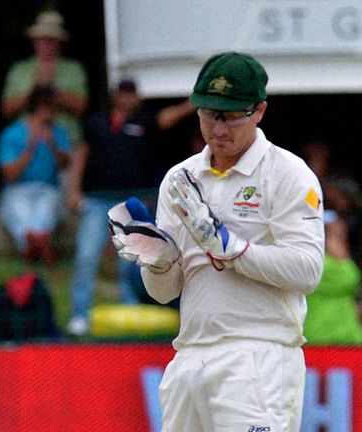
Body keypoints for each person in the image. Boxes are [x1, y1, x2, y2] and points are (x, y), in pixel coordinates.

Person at [108, 52, 324, 430]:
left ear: (259, 111)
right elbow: (164, 292)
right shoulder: (180, 178)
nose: (218, 129)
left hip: (258, 357)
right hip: (189, 357)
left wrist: (229, 246)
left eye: (229, 116)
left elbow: (307, 271)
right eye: (209, 114)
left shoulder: (288, 174)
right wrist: (159, 262)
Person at [65, 79, 192, 337]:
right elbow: (81, 154)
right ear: (115, 95)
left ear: (138, 97)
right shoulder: (97, 122)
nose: (127, 98)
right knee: (87, 256)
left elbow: (168, 118)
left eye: (132, 93)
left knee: (131, 260)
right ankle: (79, 315)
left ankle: (129, 312)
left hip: (131, 202)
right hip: (97, 200)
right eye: (123, 93)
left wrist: (194, 103)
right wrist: (74, 190)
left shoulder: (144, 122)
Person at [0, 85, 71, 266]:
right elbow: (10, 175)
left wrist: (52, 145)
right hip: (18, 189)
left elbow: (65, 165)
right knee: (20, 211)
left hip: (48, 189)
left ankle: (32, 247)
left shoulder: (58, 132)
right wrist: (30, 147)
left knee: (45, 210)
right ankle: (40, 246)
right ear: (40, 108)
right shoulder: (13, 133)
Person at [0, 10, 88, 146]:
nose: (46, 43)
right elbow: (6, 110)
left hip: (67, 142)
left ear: (60, 42)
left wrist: (53, 93)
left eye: (51, 39)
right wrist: (34, 94)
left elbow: (82, 108)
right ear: (34, 41)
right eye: (41, 38)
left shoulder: (74, 69)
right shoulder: (19, 69)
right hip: (26, 144)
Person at [303, 209, 362, 345]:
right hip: (322, 344)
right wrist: (336, 243)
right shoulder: (317, 262)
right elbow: (349, 278)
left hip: (346, 342)